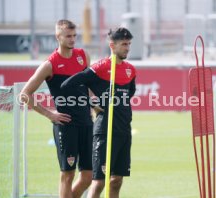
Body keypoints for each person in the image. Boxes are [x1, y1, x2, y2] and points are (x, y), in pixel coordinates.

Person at [20, 19, 93, 198]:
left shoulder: (83, 56)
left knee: (88, 177)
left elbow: (89, 86)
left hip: (87, 123)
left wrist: (96, 104)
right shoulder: (49, 65)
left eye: (75, 36)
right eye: (68, 36)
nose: (72, 39)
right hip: (66, 126)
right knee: (68, 175)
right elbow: (24, 94)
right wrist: (49, 114)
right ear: (57, 37)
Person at [61, 27, 136, 198]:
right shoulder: (100, 68)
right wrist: (90, 102)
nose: (127, 48)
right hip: (104, 132)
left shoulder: (131, 70)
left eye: (129, 44)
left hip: (124, 131)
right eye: (124, 44)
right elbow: (68, 85)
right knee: (99, 182)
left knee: (116, 181)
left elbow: (130, 93)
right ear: (112, 45)